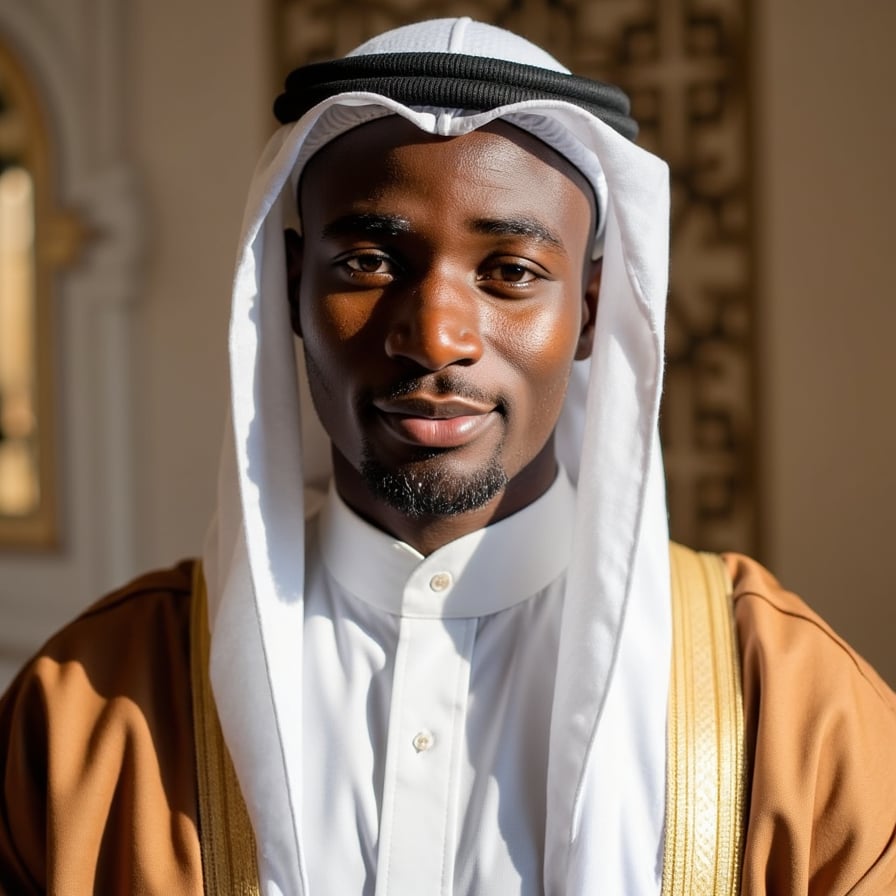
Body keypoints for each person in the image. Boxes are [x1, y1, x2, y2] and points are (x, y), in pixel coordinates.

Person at [1, 17, 895, 896]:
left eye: (510, 272)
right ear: (291, 288)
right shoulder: (89, 709)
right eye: (369, 261)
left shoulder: (797, 713)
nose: (435, 336)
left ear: (589, 310)